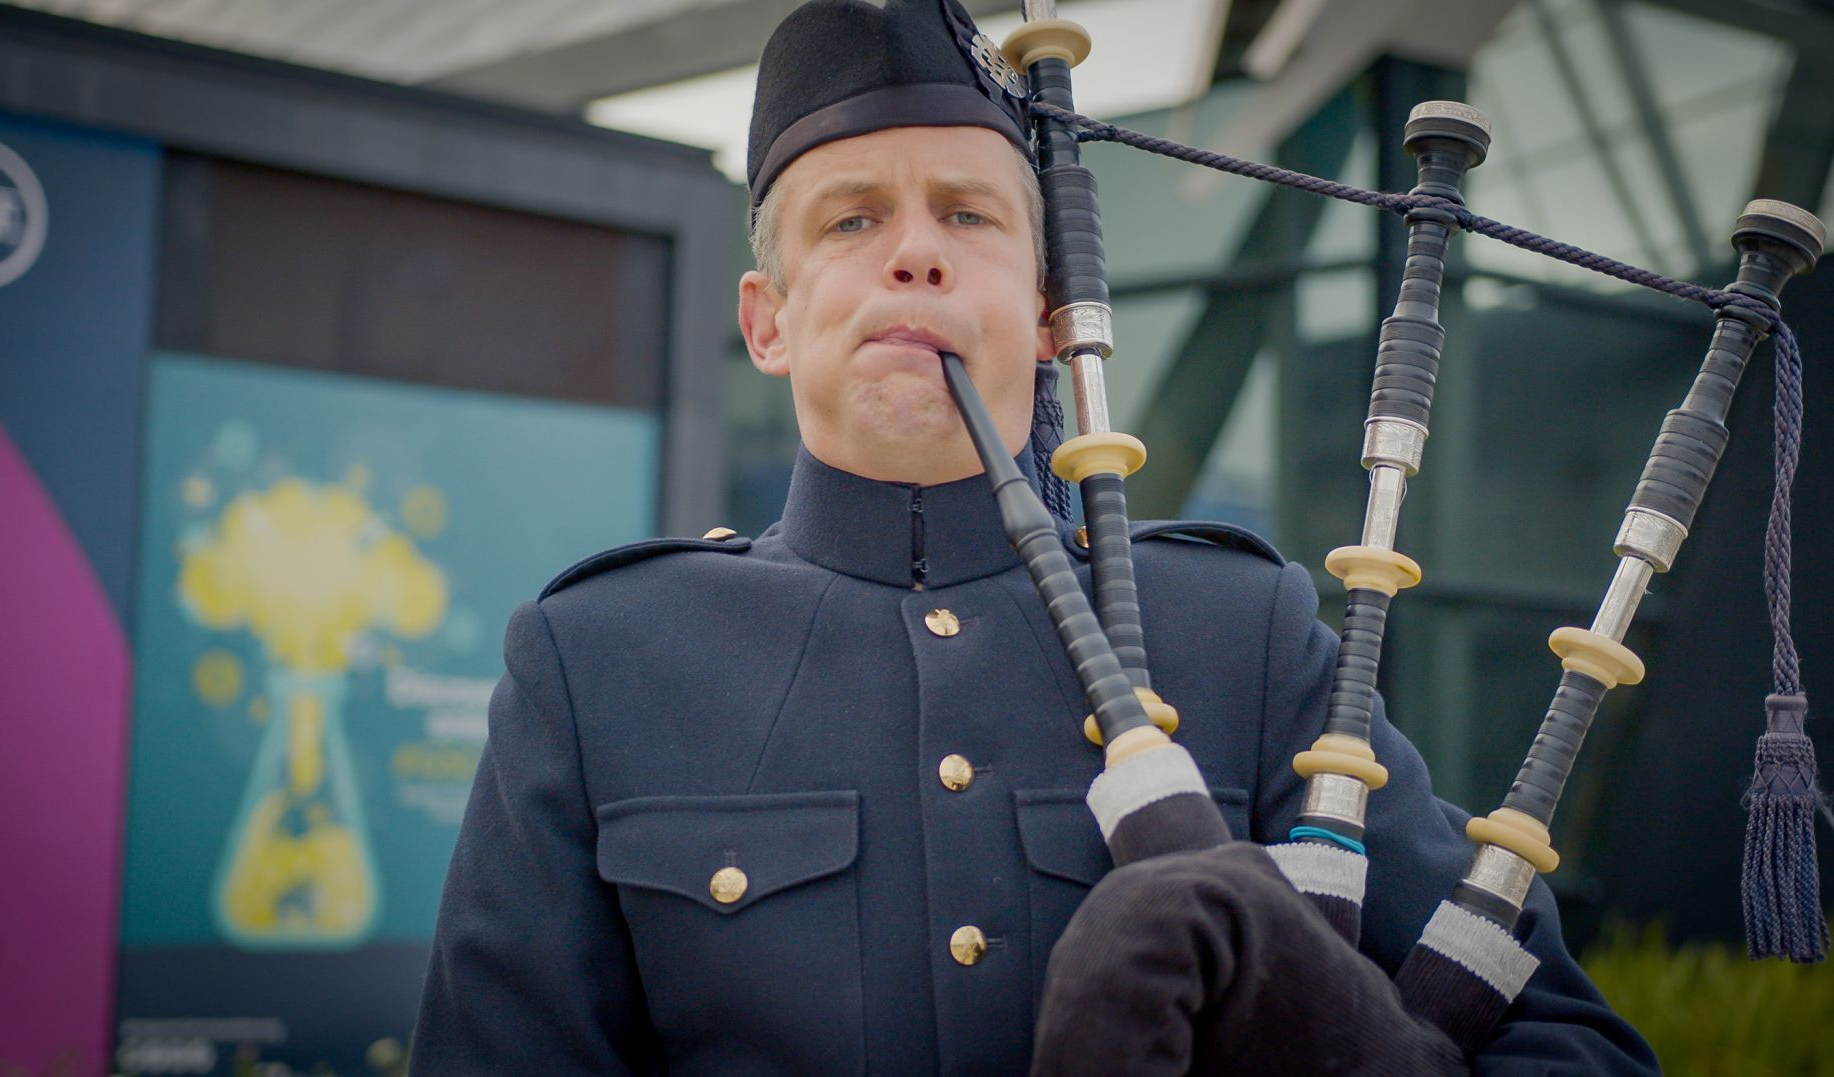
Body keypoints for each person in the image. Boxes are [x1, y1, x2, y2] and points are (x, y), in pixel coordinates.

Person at [410, 1, 1658, 1072]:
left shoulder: (1240, 637)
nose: (913, 254)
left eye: (967, 214)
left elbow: (1564, 1042)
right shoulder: (598, 663)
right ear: (767, 321)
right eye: (849, 222)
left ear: (1056, 317)